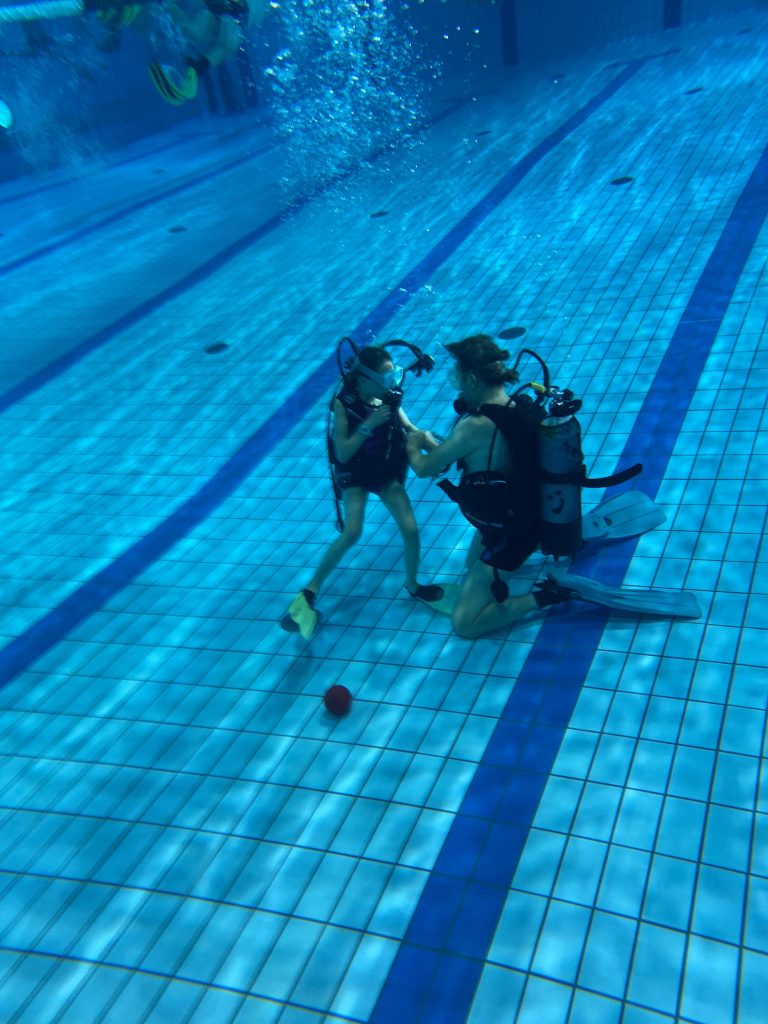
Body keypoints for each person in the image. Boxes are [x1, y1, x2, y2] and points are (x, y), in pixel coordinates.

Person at [406, 334, 572, 638]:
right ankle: (529, 549)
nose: (454, 378)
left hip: (514, 531)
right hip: (510, 518)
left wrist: (413, 442)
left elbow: (424, 468)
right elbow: (468, 455)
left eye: (457, 372)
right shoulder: (516, 404)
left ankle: (549, 595)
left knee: (464, 625)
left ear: (471, 377)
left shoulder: (475, 425)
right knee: (471, 566)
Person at [284, 343, 444, 639]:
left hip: (383, 468)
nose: (391, 384)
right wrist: (370, 424)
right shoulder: (343, 403)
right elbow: (342, 453)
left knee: (410, 529)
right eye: (385, 379)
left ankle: (413, 584)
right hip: (355, 470)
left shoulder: (388, 397)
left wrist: (437, 450)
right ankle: (310, 590)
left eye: (393, 376)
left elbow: (410, 428)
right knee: (353, 530)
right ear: (363, 378)